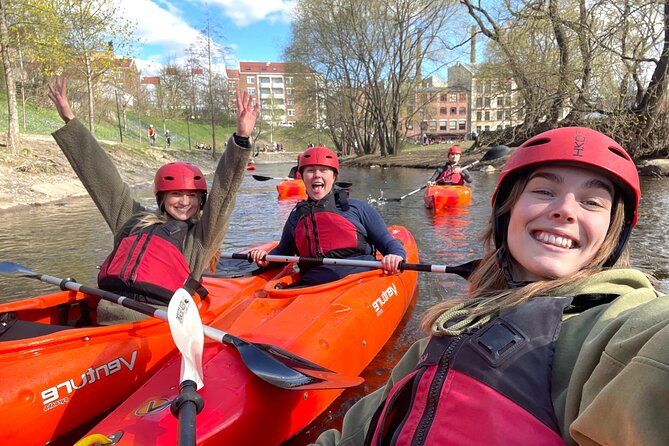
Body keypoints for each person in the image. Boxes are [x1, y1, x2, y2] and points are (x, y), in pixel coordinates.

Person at [310, 127, 669, 446]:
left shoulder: (620, 332)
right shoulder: (445, 332)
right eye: (544, 191)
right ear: (506, 213)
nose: (566, 210)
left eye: (592, 202)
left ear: (613, 233)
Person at [47, 77, 258, 321]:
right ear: (161, 198)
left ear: (201, 201)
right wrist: (70, 121)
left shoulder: (200, 239)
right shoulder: (132, 220)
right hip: (106, 315)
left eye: (192, 196)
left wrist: (241, 139)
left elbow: (225, 190)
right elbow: (102, 178)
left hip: (154, 324)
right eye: (176, 194)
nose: (184, 202)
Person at [249, 145, 405, 286]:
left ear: (334, 176)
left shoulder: (357, 209)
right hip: (315, 288)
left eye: (323, 170)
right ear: (302, 177)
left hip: (361, 282)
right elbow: (283, 253)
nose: (317, 175)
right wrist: (266, 259)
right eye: (310, 170)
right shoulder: (296, 217)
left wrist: (396, 256)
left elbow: (387, 243)